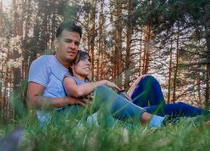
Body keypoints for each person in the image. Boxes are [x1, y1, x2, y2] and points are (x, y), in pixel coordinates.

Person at [26, 21, 165, 126]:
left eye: (76, 43)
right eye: (68, 41)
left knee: (108, 108)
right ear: (56, 42)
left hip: (80, 114)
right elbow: (32, 101)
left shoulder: (72, 70)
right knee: (101, 92)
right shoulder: (44, 62)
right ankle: (156, 122)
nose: (73, 46)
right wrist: (67, 101)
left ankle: (161, 121)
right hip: (55, 120)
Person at [64, 50, 210, 127]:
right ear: (73, 65)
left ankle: (160, 119)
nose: (88, 62)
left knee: (148, 79)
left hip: (129, 106)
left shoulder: (92, 83)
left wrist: (134, 84)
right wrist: (104, 82)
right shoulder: (73, 81)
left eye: (89, 60)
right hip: (125, 114)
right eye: (83, 59)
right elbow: (79, 95)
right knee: (180, 107)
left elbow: (122, 99)